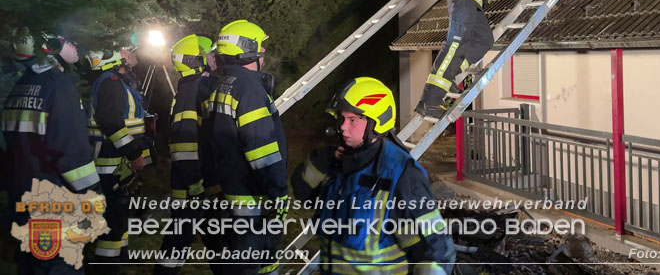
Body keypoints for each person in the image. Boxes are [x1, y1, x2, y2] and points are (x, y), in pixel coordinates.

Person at [292, 77, 456, 274]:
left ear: (376, 122)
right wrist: (321, 162)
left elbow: (434, 250)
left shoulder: (400, 173)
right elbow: (304, 194)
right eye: (341, 119)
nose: (343, 126)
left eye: (352, 120)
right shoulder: (340, 162)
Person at [2, 33, 102, 274]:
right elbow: (72, 153)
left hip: (23, 198)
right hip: (55, 204)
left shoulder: (22, 84)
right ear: (52, 46)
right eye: (70, 40)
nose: (76, 45)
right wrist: (94, 195)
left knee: (31, 265)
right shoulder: (58, 86)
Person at [206, 20, 287, 275]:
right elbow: (261, 149)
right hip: (253, 199)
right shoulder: (249, 89)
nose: (264, 51)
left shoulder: (223, 84)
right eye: (261, 45)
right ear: (250, 49)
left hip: (230, 193)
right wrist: (277, 192)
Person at [154, 34, 223, 274]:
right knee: (180, 239)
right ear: (196, 61)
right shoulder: (195, 89)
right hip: (194, 185)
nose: (214, 56)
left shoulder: (191, 87)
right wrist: (195, 183)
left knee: (215, 237)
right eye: (208, 54)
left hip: (202, 182)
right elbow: (184, 144)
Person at [85, 50, 149, 270]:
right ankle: (107, 263)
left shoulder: (115, 82)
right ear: (113, 58)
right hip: (111, 161)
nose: (130, 53)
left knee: (122, 211)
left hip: (117, 161)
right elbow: (111, 122)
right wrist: (133, 153)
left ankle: (120, 254)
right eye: (124, 50)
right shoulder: (111, 83)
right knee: (114, 214)